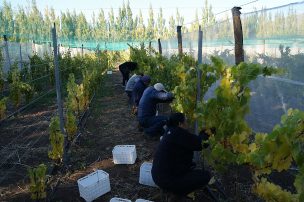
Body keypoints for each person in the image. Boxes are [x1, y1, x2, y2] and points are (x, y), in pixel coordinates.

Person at [151, 113, 212, 201]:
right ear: (180, 124)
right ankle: (176, 194)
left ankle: (169, 190)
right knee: (205, 176)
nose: (187, 122)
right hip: (167, 180)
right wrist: (207, 132)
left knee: (191, 166)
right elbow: (200, 144)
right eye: (185, 121)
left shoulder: (170, 131)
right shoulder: (179, 133)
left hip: (157, 176)